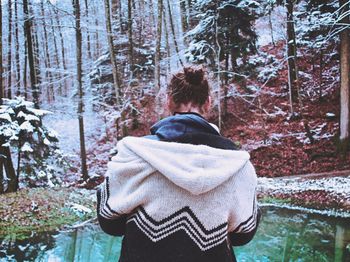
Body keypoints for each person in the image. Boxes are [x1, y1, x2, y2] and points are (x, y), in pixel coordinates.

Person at [97, 67, 261, 262]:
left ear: (169, 101)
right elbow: (243, 234)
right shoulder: (239, 166)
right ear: (208, 103)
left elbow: (109, 222)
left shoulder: (133, 155)